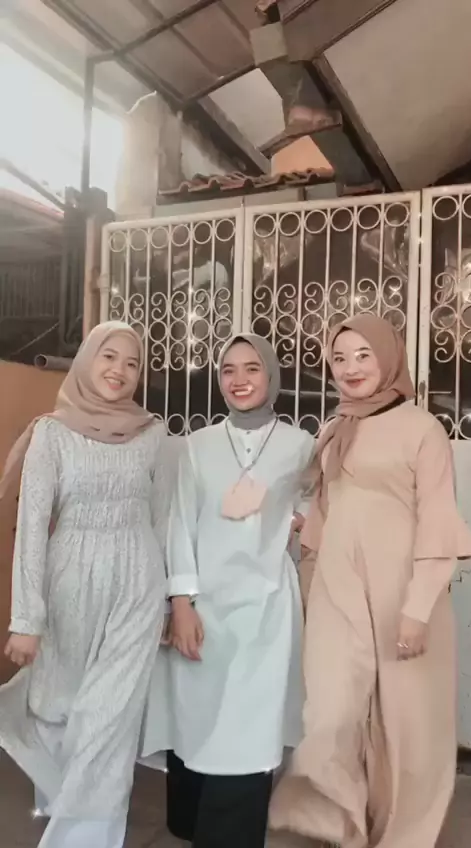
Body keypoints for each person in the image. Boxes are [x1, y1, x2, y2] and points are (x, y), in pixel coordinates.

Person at [269, 313, 471, 848]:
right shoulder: (336, 428)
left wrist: (418, 608)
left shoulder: (423, 429)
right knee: (332, 712)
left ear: (388, 357)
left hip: (402, 593)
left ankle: (402, 835)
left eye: (363, 355)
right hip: (337, 586)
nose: (350, 368)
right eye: (339, 358)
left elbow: (437, 519)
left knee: (408, 725)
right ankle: (341, 825)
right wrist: (307, 569)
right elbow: (323, 507)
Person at [0, 321, 170, 848]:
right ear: (86, 360)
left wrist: (171, 602)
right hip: (68, 582)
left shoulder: (153, 433)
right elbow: (31, 526)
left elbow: (164, 518)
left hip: (138, 583)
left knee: (108, 722)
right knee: (56, 709)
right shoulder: (52, 433)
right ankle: (63, 807)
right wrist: (26, 619)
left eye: (132, 363)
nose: (120, 370)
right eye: (109, 356)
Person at [163, 332, 315, 848]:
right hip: (206, 605)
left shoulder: (300, 445)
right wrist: (181, 602)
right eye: (228, 370)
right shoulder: (198, 445)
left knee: (251, 728)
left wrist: (298, 519)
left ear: (271, 375)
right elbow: (180, 523)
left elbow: (319, 503)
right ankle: (191, 823)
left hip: (268, 609)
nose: (239, 380)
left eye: (252, 368)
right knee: (200, 719)